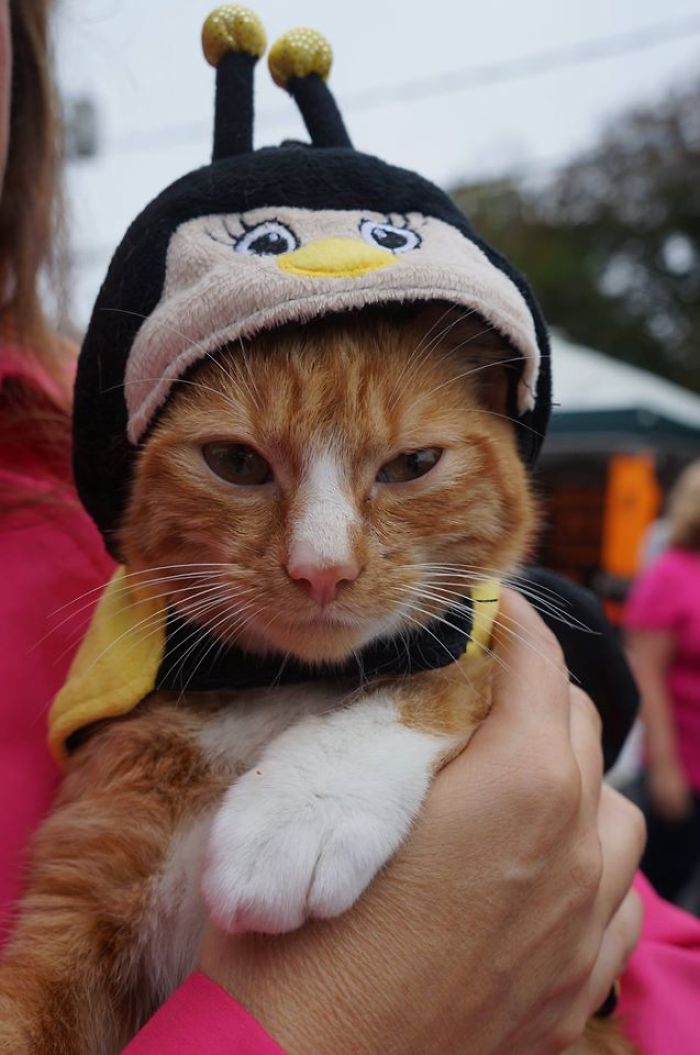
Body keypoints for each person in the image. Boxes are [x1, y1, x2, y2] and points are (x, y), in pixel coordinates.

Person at [0, 3, 698, 1053]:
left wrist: (416, 727)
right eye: (236, 463)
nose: (320, 559)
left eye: (411, 465)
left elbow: (647, 957)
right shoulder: (126, 672)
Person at [625, 460, 700, 903]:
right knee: (664, 886)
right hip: (684, 764)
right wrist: (666, 767)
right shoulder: (671, 573)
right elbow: (647, 673)